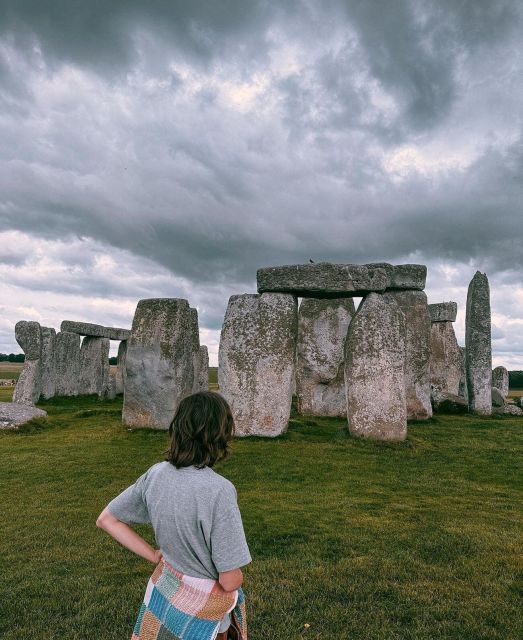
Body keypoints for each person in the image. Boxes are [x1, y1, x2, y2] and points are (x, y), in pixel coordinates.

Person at [96, 391, 251, 640]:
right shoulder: (219, 490)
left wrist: (154, 554)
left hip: (169, 592)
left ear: (178, 428)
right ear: (221, 433)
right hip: (205, 609)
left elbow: (106, 519)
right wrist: (239, 575)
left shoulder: (155, 474)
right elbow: (230, 580)